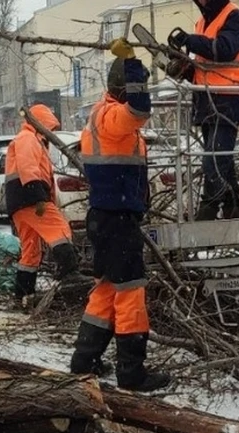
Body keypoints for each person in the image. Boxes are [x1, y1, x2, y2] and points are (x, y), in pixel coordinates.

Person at [68, 39, 171, 392]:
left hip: (106, 217)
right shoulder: (113, 116)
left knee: (107, 289)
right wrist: (133, 70)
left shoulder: (100, 116)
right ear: (123, 89)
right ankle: (132, 372)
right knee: (130, 294)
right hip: (116, 220)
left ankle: (84, 361)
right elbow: (140, 110)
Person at [167, 0, 239, 221]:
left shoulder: (234, 17)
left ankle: (209, 209)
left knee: (213, 161)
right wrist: (185, 67)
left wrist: (191, 41)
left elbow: (224, 50)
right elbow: (206, 65)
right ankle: (234, 206)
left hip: (228, 99)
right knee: (223, 162)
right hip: (206, 99)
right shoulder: (202, 22)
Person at [4, 103, 80, 306]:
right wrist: (38, 197)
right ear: (41, 123)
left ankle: (23, 295)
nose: (50, 132)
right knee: (60, 229)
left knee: (31, 250)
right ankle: (69, 271)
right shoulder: (29, 139)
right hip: (30, 198)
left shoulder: (28, 139)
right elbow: (28, 168)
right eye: (49, 127)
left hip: (19, 202)